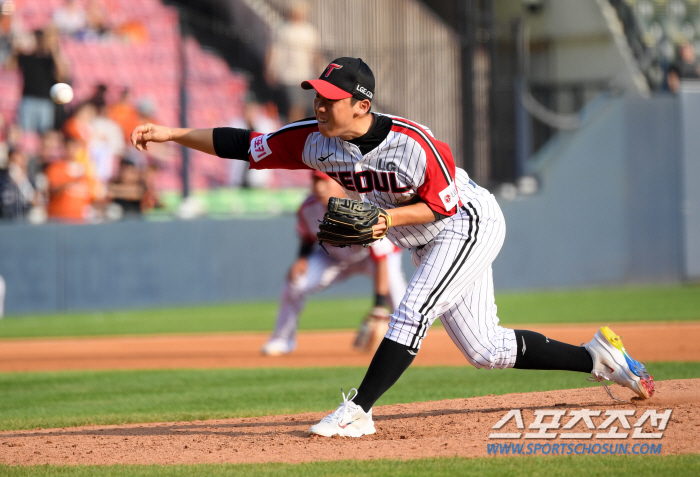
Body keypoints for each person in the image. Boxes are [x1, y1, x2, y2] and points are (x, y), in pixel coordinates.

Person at [130, 57, 655, 438]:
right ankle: (597, 359)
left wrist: (384, 219)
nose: (319, 105)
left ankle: (358, 409)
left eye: (330, 99)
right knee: (485, 350)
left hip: (466, 221)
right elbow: (244, 145)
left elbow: (444, 208)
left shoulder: (414, 143)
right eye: (316, 96)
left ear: (361, 104)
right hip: (422, 236)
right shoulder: (313, 139)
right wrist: (173, 134)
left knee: (412, 310)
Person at [262, 170, 407, 356]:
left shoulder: (363, 206)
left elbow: (381, 259)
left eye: (324, 182)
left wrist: (378, 305)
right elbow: (307, 235)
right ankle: (282, 340)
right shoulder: (309, 207)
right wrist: (302, 258)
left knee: (397, 295)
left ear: (341, 184)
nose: (319, 187)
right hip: (333, 257)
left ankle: (404, 342)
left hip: (370, 258)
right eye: (315, 181)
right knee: (295, 282)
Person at [264, 0, 321, 123]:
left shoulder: (309, 31)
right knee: (296, 106)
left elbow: (315, 54)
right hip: (289, 75)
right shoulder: (283, 29)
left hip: (306, 74)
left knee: (305, 107)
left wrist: (318, 72)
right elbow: (273, 51)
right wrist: (270, 69)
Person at [7, 26, 70, 134]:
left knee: (44, 136)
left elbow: (62, 75)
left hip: (46, 102)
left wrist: (54, 50)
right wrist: (17, 50)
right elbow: (9, 67)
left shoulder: (50, 59)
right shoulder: (27, 57)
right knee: (26, 135)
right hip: (28, 100)